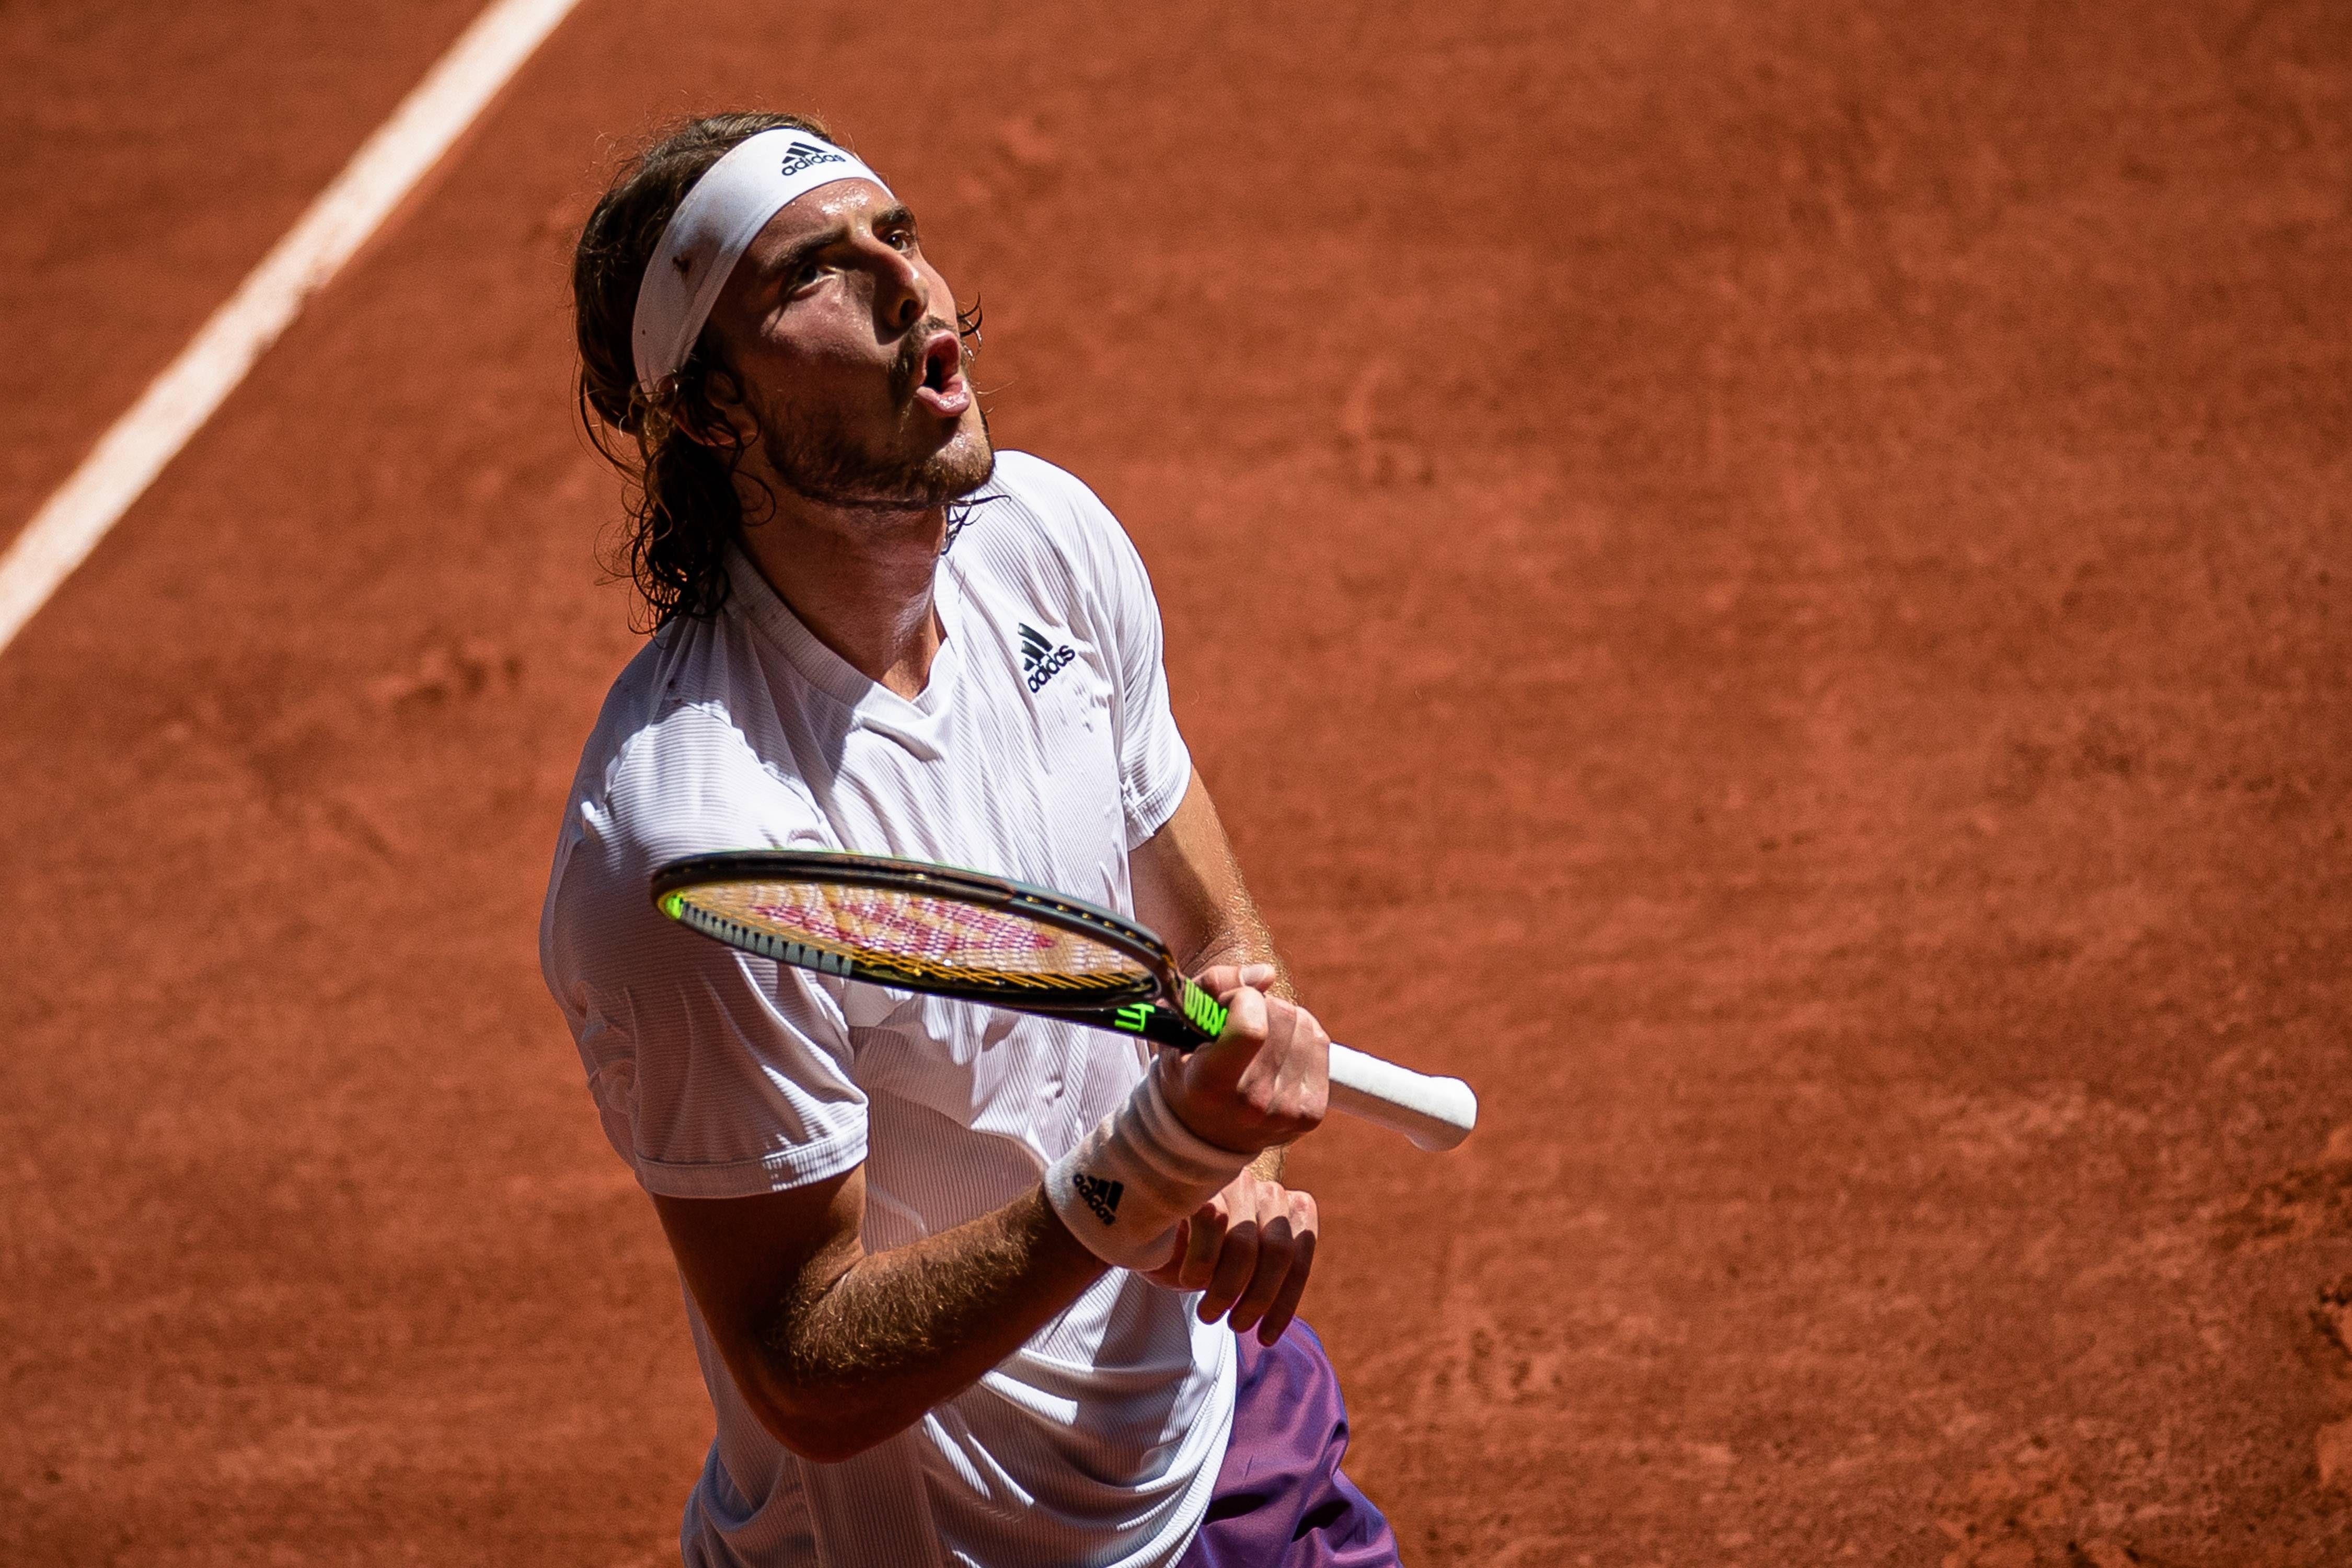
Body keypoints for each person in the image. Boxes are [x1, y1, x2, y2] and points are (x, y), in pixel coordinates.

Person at [540, 111, 1401, 1568]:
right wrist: (1157, 1161)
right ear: (707, 409)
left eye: (899, 233)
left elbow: (1205, 929)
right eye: (814, 269)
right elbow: (804, 1367)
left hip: (1219, 1433)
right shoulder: (687, 841)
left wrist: (1226, 1164)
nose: (904, 285)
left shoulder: (1042, 543)